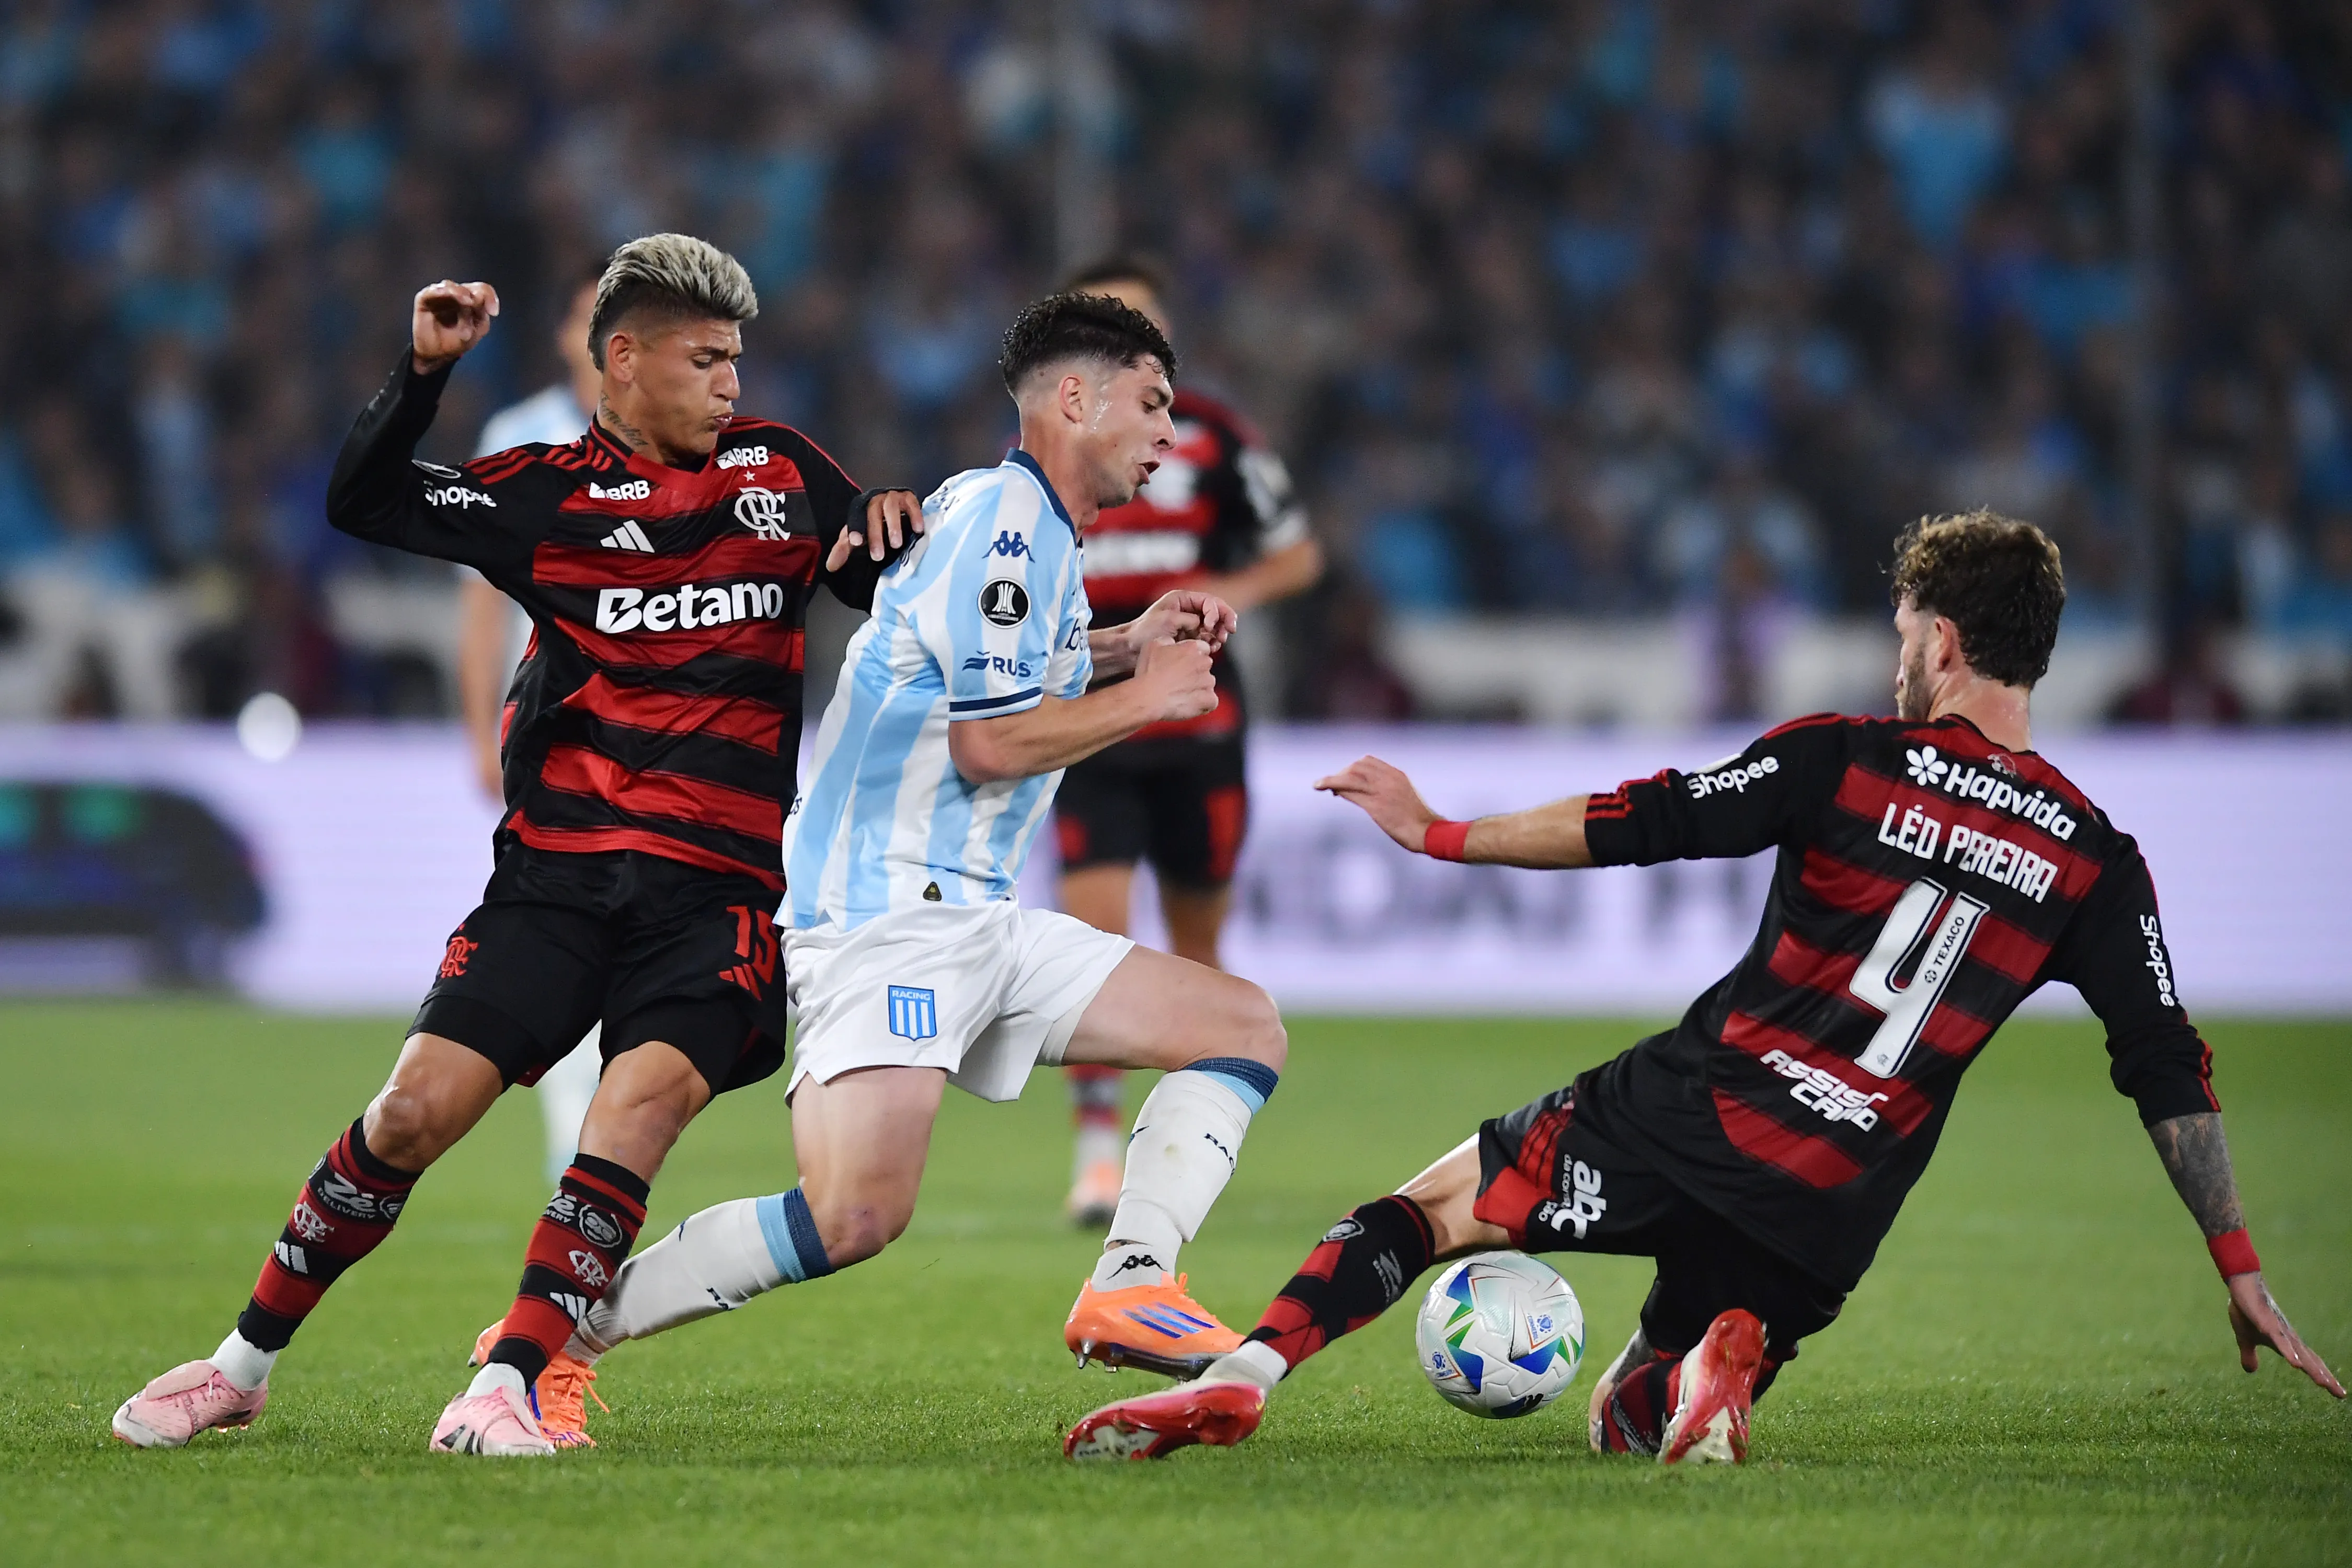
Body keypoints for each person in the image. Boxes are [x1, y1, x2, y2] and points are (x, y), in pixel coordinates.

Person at [1065, 509, 2345, 1465]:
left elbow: (1640, 820)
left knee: (1428, 1210)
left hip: (1703, 1112)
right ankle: (1717, 1354)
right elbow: (2165, 1060)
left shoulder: (1845, 760)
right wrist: (2234, 1260)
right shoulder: (2092, 859)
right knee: (1623, 1427)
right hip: (1838, 1206)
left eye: (1907, 637)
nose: (1899, 659)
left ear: (1942, 640)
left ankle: (1239, 1373)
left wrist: (1444, 833)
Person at [110, 233, 926, 1457]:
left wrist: (903, 530)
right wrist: (422, 372)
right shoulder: (539, 494)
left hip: (718, 902)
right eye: (706, 360)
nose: (731, 386)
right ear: (623, 360)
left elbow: (885, 573)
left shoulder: (786, 477)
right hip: (555, 885)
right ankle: (239, 1366)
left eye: (737, 361)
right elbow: (365, 501)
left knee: (635, 1104)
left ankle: (509, 1380)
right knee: (407, 1116)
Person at [514, 291, 1287, 1407]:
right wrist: (1152, 698)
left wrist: (1125, 645)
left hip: (972, 913)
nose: (1171, 433)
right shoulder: (999, 532)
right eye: (1154, 405)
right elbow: (986, 746)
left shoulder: (1015, 523)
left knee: (1238, 1024)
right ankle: (555, 1343)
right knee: (853, 1216)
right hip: (883, 916)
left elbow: (1007, 671)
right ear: (1075, 398)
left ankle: (1131, 1282)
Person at [1047, 256, 1323, 1226]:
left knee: (1198, 953)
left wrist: (1223, 598)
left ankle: (1182, 1151)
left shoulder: (1209, 436)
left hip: (1199, 718)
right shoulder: (1050, 443)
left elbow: (1297, 552)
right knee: (1091, 939)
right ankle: (1092, 1157)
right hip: (1091, 714)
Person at [458, 260, 605, 1186]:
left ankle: (593, 1138)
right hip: (547, 724)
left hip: (655, 732)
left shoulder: (689, 442)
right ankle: (571, 1143)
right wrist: (480, 729)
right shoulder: (517, 440)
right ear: (562, 334)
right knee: (566, 931)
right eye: (592, 318)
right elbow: (480, 605)